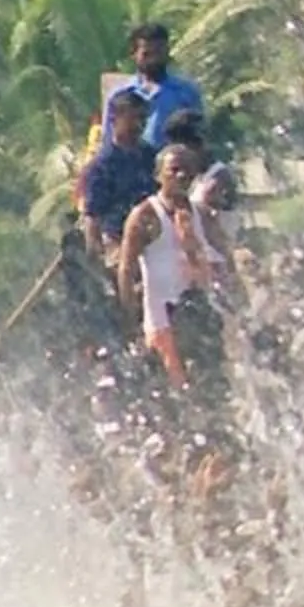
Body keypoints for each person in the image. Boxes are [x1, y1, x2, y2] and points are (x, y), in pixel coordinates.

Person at [116, 142, 226, 388]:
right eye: (174, 170)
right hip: (163, 317)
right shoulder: (145, 215)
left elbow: (224, 254)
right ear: (158, 175)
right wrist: (130, 316)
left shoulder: (203, 215)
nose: (181, 175)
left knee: (212, 382)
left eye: (187, 170)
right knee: (175, 387)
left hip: (201, 311)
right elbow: (126, 269)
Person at [76, 90, 158, 256]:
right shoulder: (102, 166)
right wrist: (100, 257)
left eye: (143, 119)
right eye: (132, 118)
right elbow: (93, 217)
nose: (138, 125)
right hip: (118, 242)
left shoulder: (151, 156)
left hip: (155, 238)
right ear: (114, 120)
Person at [104, 22, 204, 149]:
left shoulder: (186, 92)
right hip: (133, 166)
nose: (154, 60)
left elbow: (199, 137)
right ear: (134, 55)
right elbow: (108, 141)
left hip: (174, 165)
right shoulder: (119, 95)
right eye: (147, 54)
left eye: (159, 53)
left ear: (167, 51)